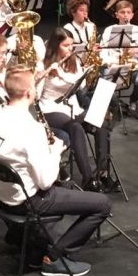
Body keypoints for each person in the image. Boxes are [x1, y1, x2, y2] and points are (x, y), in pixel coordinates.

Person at [0, 65, 110, 276]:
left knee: (67, 190)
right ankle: (54, 257)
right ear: (29, 92)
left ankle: (31, 242)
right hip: (30, 201)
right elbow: (45, 182)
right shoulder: (31, 129)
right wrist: (55, 152)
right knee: (102, 204)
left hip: (3, 197)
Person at [36, 28, 110, 191]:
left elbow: (81, 85)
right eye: (66, 45)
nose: (70, 49)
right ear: (55, 46)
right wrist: (41, 77)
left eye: (72, 45)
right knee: (75, 127)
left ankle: (102, 172)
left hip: (72, 108)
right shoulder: (43, 64)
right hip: (51, 108)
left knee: (101, 124)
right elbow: (36, 96)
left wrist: (68, 74)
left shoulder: (73, 60)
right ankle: (88, 179)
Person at [100, 0, 138, 113]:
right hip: (113, 65)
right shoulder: (109, 30)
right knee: (103, 84)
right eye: (122, 12)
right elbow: (103, 52)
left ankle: (133, 100)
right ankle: (115, 105)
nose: (125, 15)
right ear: (116, 15)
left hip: (131, 67)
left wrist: (135, 51)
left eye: (128, 12)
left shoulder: (136, 29)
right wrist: (110, 62)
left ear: (132, 15)